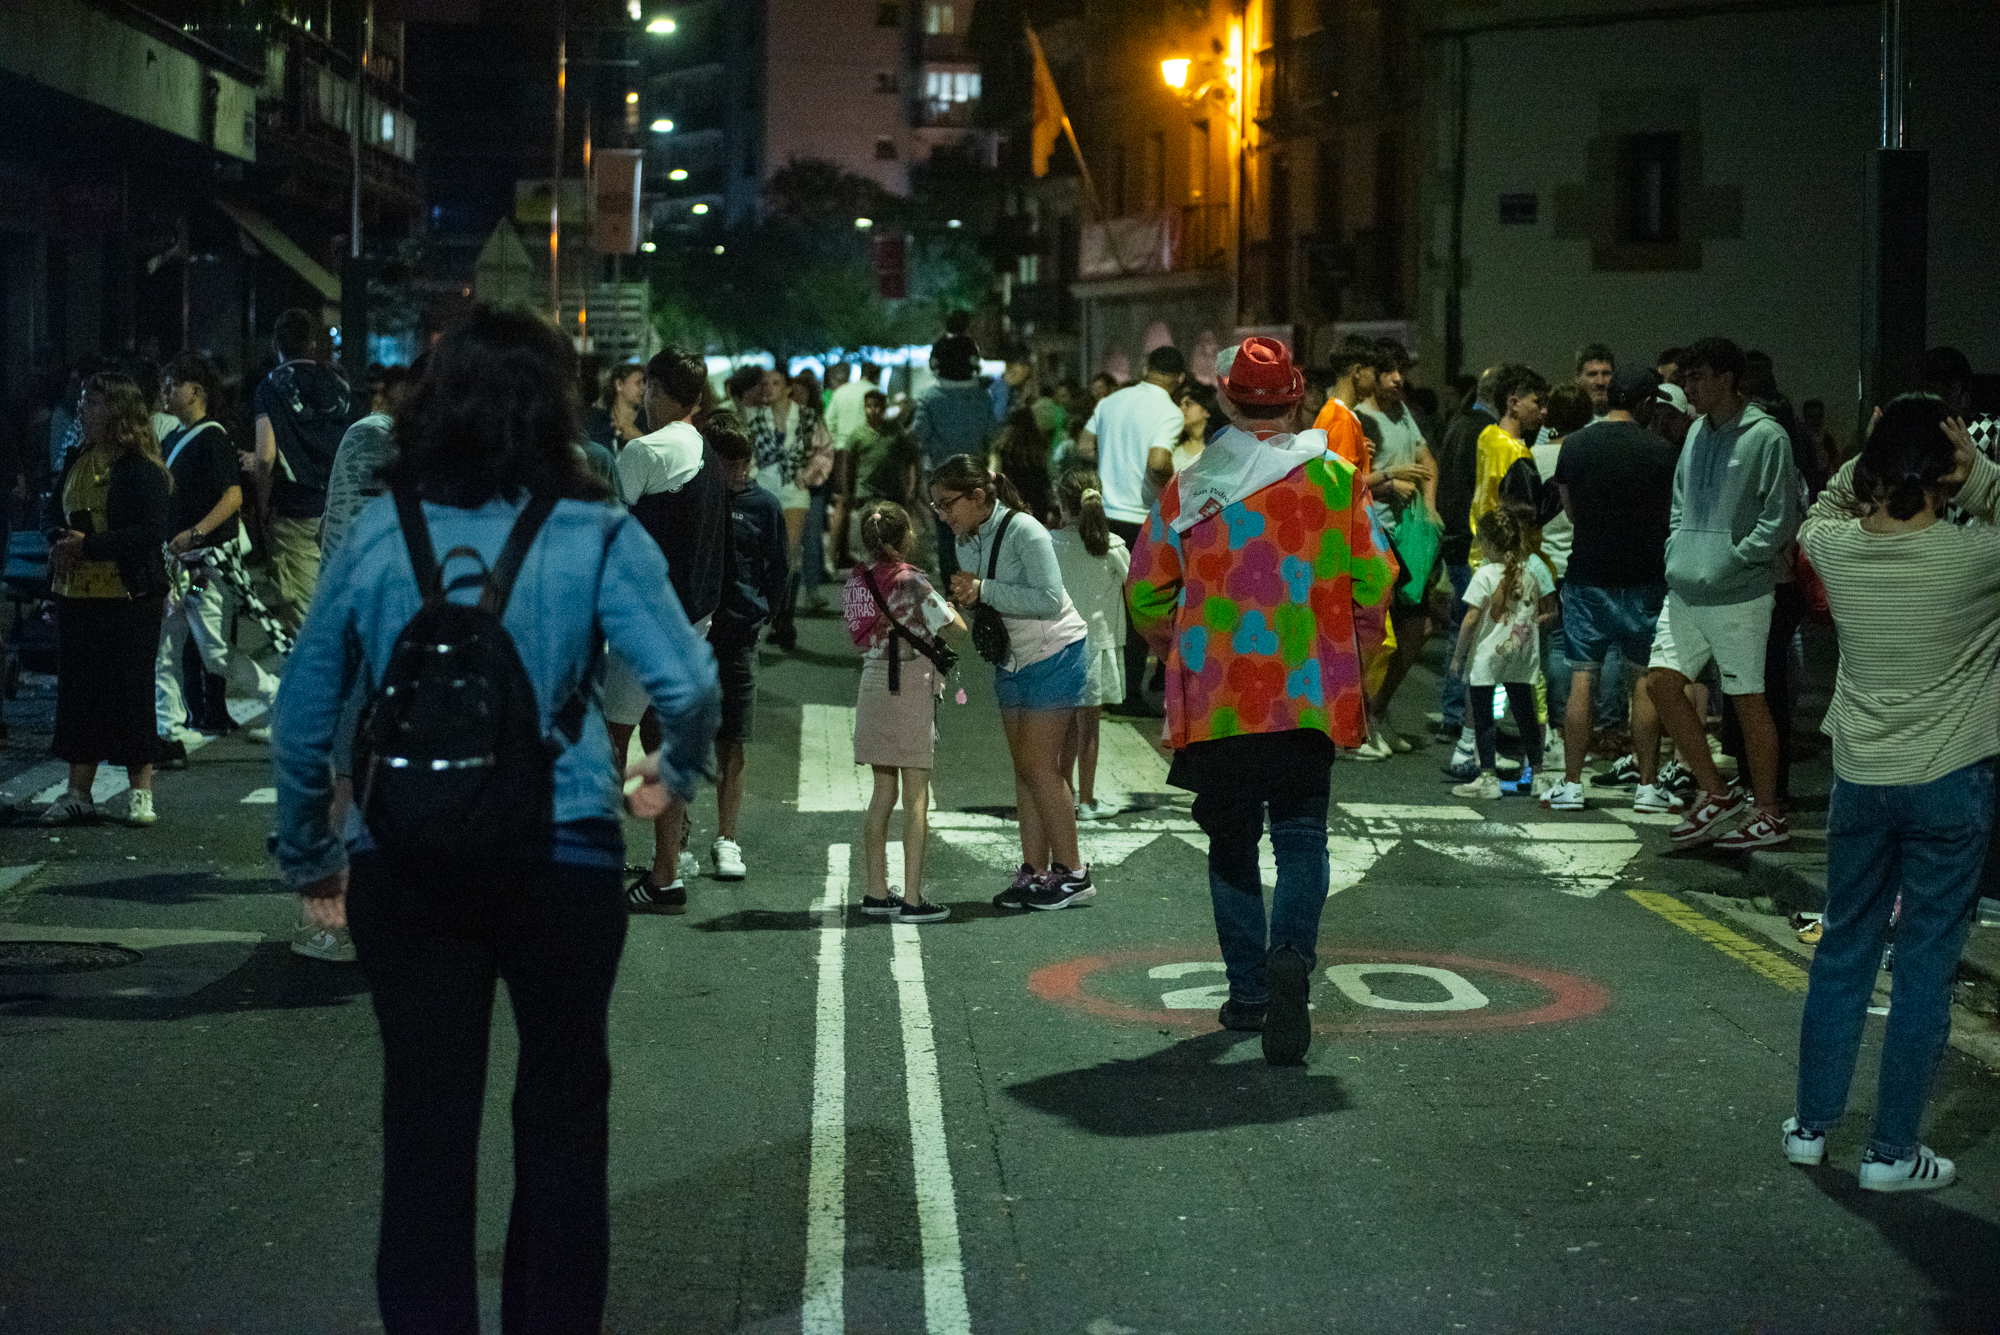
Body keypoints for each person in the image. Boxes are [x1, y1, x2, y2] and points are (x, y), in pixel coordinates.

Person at [272, 306, 718, 1332]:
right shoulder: (592, 528)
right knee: (563, 1117)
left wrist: (311, 855)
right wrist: (668, 777)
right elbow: (688, 685)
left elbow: (302, 713)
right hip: (561, 850)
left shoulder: (381, 531)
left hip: (407, 855)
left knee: (425, 1130)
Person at [1126, 335, 1393, 1066]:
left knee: (1231, 843)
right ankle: (1291, 960)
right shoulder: (1338, 481)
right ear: (1297, 397)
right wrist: (1351, 658)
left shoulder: (1192, 487)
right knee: (1302, 837)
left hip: (1220, 697)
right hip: (1307, 691)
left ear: (1224, 398)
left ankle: (1247, 993)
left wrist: (1180, 649)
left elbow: (1145, 589)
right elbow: (1375, 580)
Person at [1784, 396, 1993, 1193]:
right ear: (1946, 469)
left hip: (1861, 780)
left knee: (1845, 949)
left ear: (1873, 465)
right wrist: (1979, 474)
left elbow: (1823, 507)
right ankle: (1892, 1151)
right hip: (1949, 780)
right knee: (1925, 967)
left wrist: (1869, 452)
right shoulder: (1976, 558)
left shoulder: (1837, 548)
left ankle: (1811, 1127)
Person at [1645, 336, 1802, 851]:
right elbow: (1680, 502)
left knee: (1747, 699)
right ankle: (1716, 791)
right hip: (1687, 585)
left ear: (1728, 378)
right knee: (1661, 683)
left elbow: (1779, 517)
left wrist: (1733, 559)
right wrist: (1679, 550)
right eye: (1686, 377)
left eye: (1698, 376)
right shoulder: (1696, 432)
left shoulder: (1767, 436)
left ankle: (1767, 810)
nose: (1689, 386)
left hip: (1740, 592)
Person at [932, 453, 1094, 910]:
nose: (942, 516)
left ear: (977, 496)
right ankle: (1034, 871)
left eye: (947, 504)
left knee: (1041, 767)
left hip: (1055, 653)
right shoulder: (966, 539)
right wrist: (967, 598)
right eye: (936, 507)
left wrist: (982, 590)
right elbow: (991, 595)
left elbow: (1048, 598)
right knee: (1025, 768)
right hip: (1012, 659)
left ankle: (1073, 873)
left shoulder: (1026, 530)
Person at [613, 347, 730, 912]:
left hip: (642, 624)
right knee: (666, 743)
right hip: (693, 621)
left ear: (655, 389)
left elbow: (609, 537)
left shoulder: (643, 452)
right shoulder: (706, 451)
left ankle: (595, 866)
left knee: (611, 740)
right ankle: (666, 874)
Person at [1541, 366, 1678, 813]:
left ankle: (1572, 784)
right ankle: (1647, 786)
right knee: (1642, 680)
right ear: (1645, 403)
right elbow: (1668, 514)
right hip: (1644, 577)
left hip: (1588, 574)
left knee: (1584, 677)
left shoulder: (1577, 444)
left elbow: (1571, 512)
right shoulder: (1661, 451)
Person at [38, 373, 172, 828]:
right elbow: (51, 511)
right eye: (82, 402)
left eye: (92, 403)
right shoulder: (77, 458)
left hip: (129, 596)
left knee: (131, 691)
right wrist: (58, 539)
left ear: (117, 412)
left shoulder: (140, 468)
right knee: (80, 693)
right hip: (77, 594)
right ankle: (79, 793)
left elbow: (149, 533)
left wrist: (89, 546)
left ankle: (140, 792)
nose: (83, 411)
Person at [153, 353, 276, 765]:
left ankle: (279, 697)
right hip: (179, 564)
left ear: (196, 391)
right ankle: (168, 729)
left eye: (174, 384)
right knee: (164, 648)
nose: (166, 391)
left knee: (215, 653)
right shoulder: (173, 438)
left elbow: (233, 496)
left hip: (204, 564)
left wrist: (195, 533)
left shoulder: (212, 438)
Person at [843, 501, 962, 924]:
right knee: (916, 798)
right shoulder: (911, 581)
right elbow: (953, 626)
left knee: (882, 794)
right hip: (909, 683)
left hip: (873, 680)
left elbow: (859, 635)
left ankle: (876, 891)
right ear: (906, 536)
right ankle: (913, 898)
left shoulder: (857, 580)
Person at [1443, 365, 1550, 780]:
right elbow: (1527, 515)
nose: (1543, 411)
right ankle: (1478, 747)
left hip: (1480, 553)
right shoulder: (1517, 453)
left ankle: (1472, 744)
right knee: (1506, 667)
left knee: (1484, 665)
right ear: (1513, 402)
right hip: (1508, 564)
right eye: (1537, 402)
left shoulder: (1488, 437)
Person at [703, 412, 789, 881]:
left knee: (732, 740)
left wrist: (763, 614)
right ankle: (676, 838)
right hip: (694, 633)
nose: (737, 473)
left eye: (742, 464)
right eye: (728, 464)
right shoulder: (695, 498)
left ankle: (727, 837)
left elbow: (778, 568)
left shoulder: (764, 507)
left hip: (738, 635)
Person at [1077, 344, 1184, 715]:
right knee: (1137, 606)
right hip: (1140, 519)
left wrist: (1111, 465)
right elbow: (1158, 462)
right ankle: (1127, 695)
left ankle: (1097, 685)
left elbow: (1084, 445)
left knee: (1102, 605)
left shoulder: (1111, 401)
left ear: (1144, 367)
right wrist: (1170, 487)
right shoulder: (1169, 411)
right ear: (1179, 378)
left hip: (1102, 515)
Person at [1356, 342, 1440, 746]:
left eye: (1400, 371)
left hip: (1410, 538)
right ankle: (1362, 719)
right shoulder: (1360, 418)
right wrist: (1390, 483)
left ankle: (1378, 709)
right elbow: (1350, 481)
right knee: (1380, 634)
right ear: (1371, 374)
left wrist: (1430, 508)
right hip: (1377, 534)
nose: (1397, 379)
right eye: (1388, 371)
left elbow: (1428, 461)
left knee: (1418, 629)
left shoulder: (1403, 413)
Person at [250, 308, 353, 631]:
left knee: (303, 614)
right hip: (340, 505)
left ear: (276, 345)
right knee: (338, 600)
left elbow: (265, 457)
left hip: (294, 508)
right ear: (312, 343)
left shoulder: (270, 387)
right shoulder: (339, 383)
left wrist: (264, 505)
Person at [1447, 505, 1555, 799]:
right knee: (1526, 716)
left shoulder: (1485, 574)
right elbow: (1541, 611)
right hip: (1522, 656)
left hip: (1489, 656)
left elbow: (1471, 619)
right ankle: (1539, 775)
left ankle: (1487, 778)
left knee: (1484, 719)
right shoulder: (1528, 573)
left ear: (1489, 542)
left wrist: (1458, 656)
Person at [1050, 468, 1131, 822]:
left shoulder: (1050, 543)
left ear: (1062, 505)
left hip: (1058, 646)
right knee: (1090, 730)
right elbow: (1136, 585)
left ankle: (1062, 793)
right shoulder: (1112, 547)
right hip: (1097, 645)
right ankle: (1087, 799)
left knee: (1065, 725)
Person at [1432, 365, 1502, 740]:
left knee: (1462, 628)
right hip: (1473, 543)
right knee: (1476, 630)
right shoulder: (1486, 432)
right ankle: (1466, 716)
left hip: (1456, 540)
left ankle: (1455, 713)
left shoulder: (1460, 423)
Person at [912, 329, 998, 581]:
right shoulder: (983, 396)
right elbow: (992, 435)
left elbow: (919, 435)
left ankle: (952, 585)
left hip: (942, 475)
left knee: (946, 529)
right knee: (976, 529)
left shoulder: (929, 398)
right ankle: (974, 582)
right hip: (975, 475)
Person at [995, 405, 1055, 525]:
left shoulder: (1005, 447)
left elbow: (997, 474)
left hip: (1012, 501)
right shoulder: (1040, 444)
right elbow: (1050, 471)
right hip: (1037, 500)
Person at [586, 361, 644, 450]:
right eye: (638, 383)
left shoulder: (646, 419)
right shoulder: (598, 419)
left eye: (644, 383)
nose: (643, 387)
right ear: (619, 384)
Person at [1576, 343, 1616, 418]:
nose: (1600, 382)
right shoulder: (1566, 421)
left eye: (1606, 374)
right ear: (1578, 378)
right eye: (1592, 374)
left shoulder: (1628, 420)